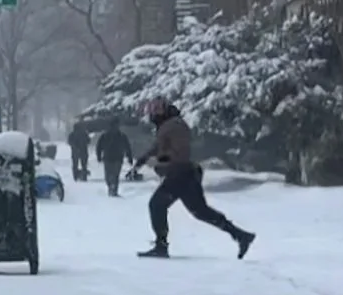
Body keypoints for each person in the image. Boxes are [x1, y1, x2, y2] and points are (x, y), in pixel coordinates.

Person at [137, 98, 254, 259]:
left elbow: (180, 151)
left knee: (157, 204)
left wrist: (161, 160)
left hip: (180, 173)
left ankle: (161, 246)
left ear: (164, 111)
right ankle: (240, 235)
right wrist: (143, 159)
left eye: (155, 111)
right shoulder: (168, 126)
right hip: (186, 173)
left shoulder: (174, 125)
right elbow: (159, 146)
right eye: (151, 111)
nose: (152, 115)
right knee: (200, 211)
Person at [95, 119, 132, 196]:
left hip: (113, 158)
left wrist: (99, 156)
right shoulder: (106, 136)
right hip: (112, 158)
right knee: (112, 175)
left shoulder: (120, 136)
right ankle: (112, 188)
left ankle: (113, 189)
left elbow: (127, 147)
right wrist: (129, 157)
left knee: (112, 175)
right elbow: (99, 147)